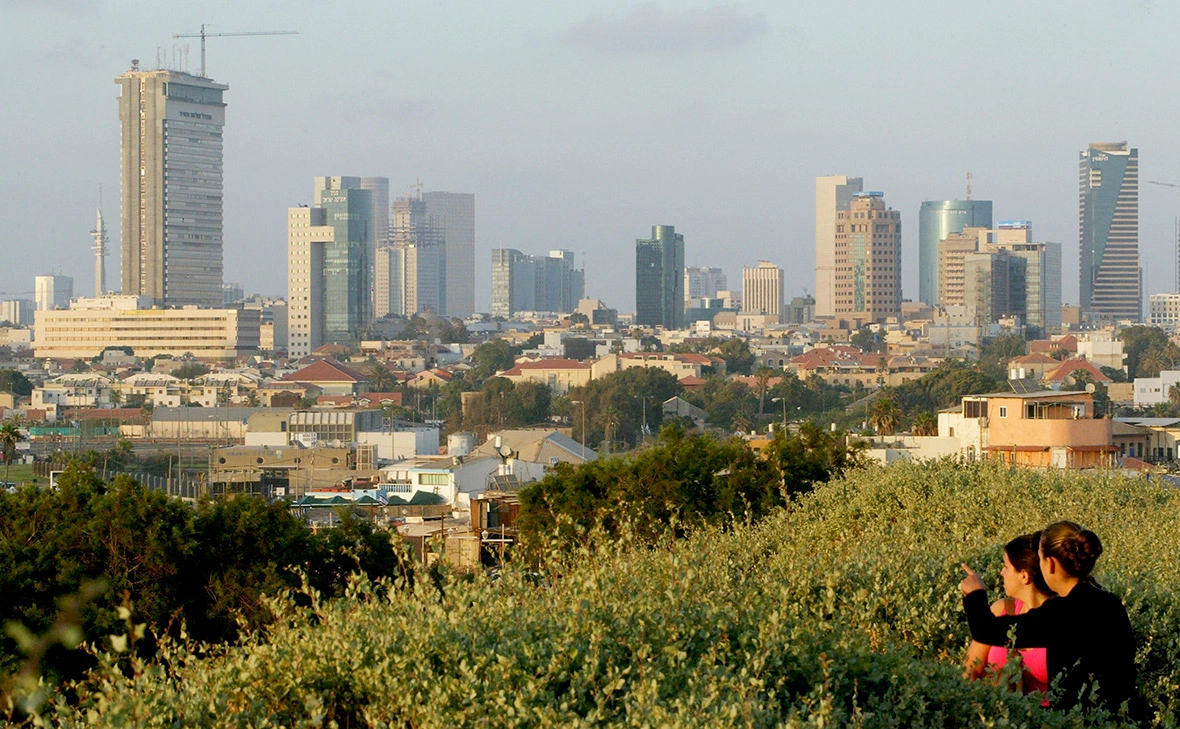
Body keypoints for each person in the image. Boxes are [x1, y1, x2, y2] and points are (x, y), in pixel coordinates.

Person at [960, 521, 1142, 718]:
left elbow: (985, 630)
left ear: (1051, 564)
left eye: (1040, 559)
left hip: (1083, 719)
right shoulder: (1109, 601)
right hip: (1122, 717)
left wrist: (975, 593)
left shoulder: (1063, 611)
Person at [962, 533, 1053, 703]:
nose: (1002, 573)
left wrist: (975, 595)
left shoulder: (1060, 618)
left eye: (1006, 567)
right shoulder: (1002, 609)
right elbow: (970, 671)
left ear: (1024, 575)